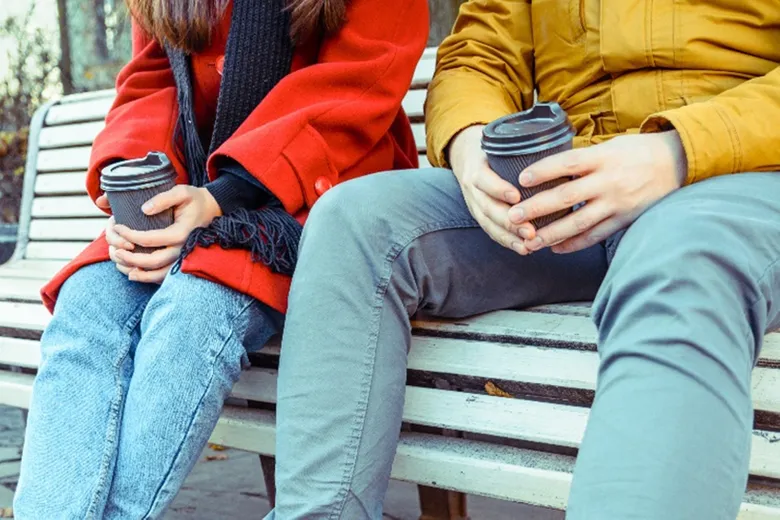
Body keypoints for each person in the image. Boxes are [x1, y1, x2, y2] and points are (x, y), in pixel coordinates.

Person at [269, 1, 780, 518]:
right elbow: (482, 52)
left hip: (738, 179)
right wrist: (471, 145)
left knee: (682, 268)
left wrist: (676, 151)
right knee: (357, 221)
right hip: (567, 185)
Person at [13, 0, 428, 517]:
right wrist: (138, 184)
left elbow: (359, 81)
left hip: (310, 202)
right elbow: (153, 78)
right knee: (89, 302)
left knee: (195, 307)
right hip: (190, 191)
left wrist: (223, 197)